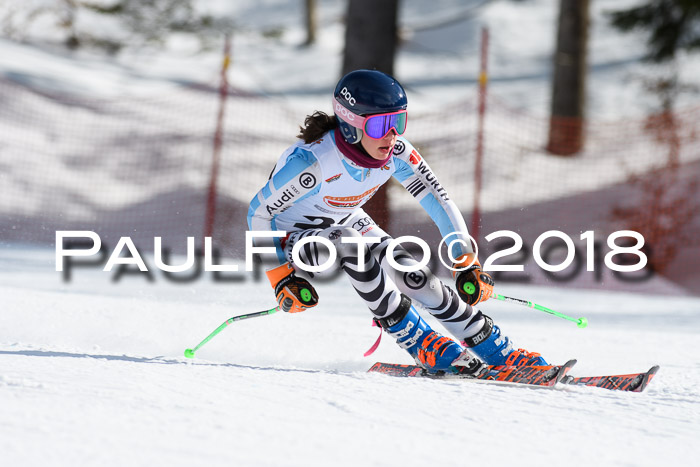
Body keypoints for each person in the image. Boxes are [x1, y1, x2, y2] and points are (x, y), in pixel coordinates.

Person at [248, 69, 547, 374]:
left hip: (343, 219)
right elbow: (258, 212)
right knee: (348, 240)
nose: (391, 135)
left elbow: (438, 200)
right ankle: (419, 341)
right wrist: (281, 278)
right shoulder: (312, 164)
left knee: (412, 273)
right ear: (351, 125)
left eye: (398, 122)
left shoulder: (398, 154)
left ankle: (497, 349)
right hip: (292, 238)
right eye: (380, 125)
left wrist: (466, 262)